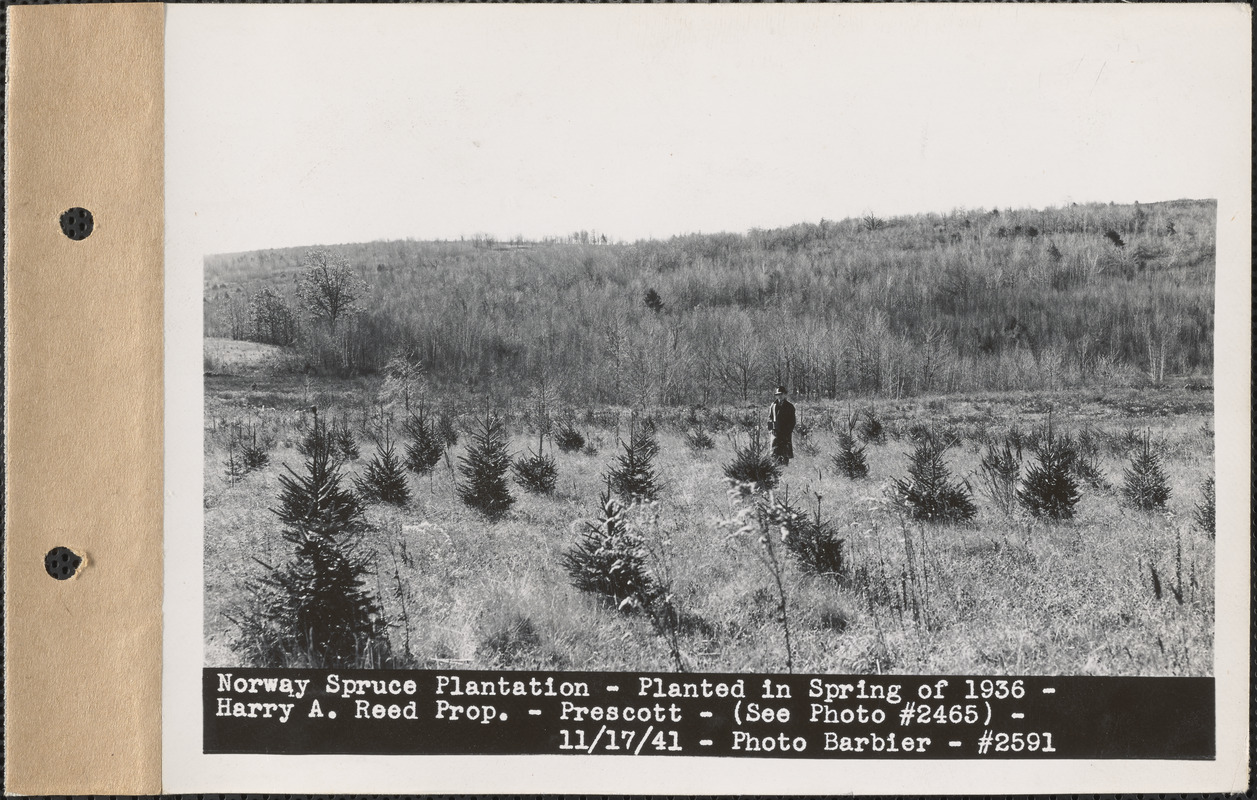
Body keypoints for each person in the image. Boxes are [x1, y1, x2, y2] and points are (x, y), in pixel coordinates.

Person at [768, 385, 796, 466]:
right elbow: (770, 418)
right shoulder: (773, 405)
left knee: (784, 454)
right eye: (777, 394)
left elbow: (792, 422)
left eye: (781, 394)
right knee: (774, 453)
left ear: (785, 395)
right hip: (775, 433)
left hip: (785, 433)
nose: (779, 396)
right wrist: (771, 430)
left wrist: (787, 432)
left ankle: (785, 470)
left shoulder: (790, 406)